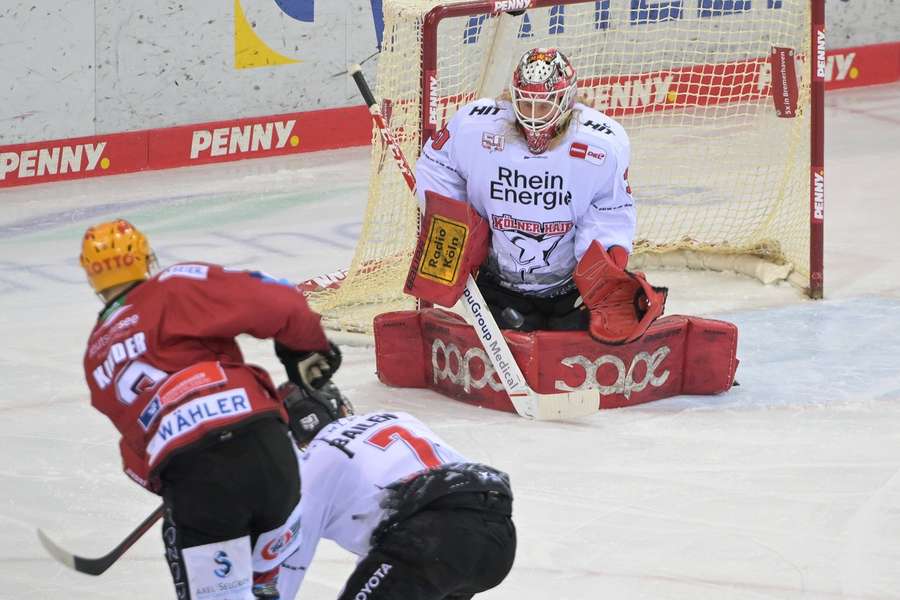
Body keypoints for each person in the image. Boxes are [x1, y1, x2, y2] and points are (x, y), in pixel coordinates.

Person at [79, 219, 343, 599]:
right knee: (267, 587)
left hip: (196, 477)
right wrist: (306, 347)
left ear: (92, 278)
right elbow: (279, 299)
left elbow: (138, 455)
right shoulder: (172, 287)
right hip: (269, 453)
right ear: (145, 259)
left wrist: (179, 487)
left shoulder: (95, 354)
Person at [414, 47, 665, 342]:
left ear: (566, 100)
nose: (533, 116)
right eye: (526, 103)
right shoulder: (475, 126)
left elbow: (610, 206)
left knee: (569, 344)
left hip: (571, 288)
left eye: (543, 105)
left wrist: (607, 265)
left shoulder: (601, 143)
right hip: (498, 283)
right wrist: (455, 225)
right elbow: (437, 163)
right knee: (512, 342)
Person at [273, 381, 517, 600]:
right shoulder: (398, 417)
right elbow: (390, 549)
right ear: (340, 407)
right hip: (498, 535)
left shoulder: (315, 464)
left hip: (434, 541)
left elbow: (290, 562)